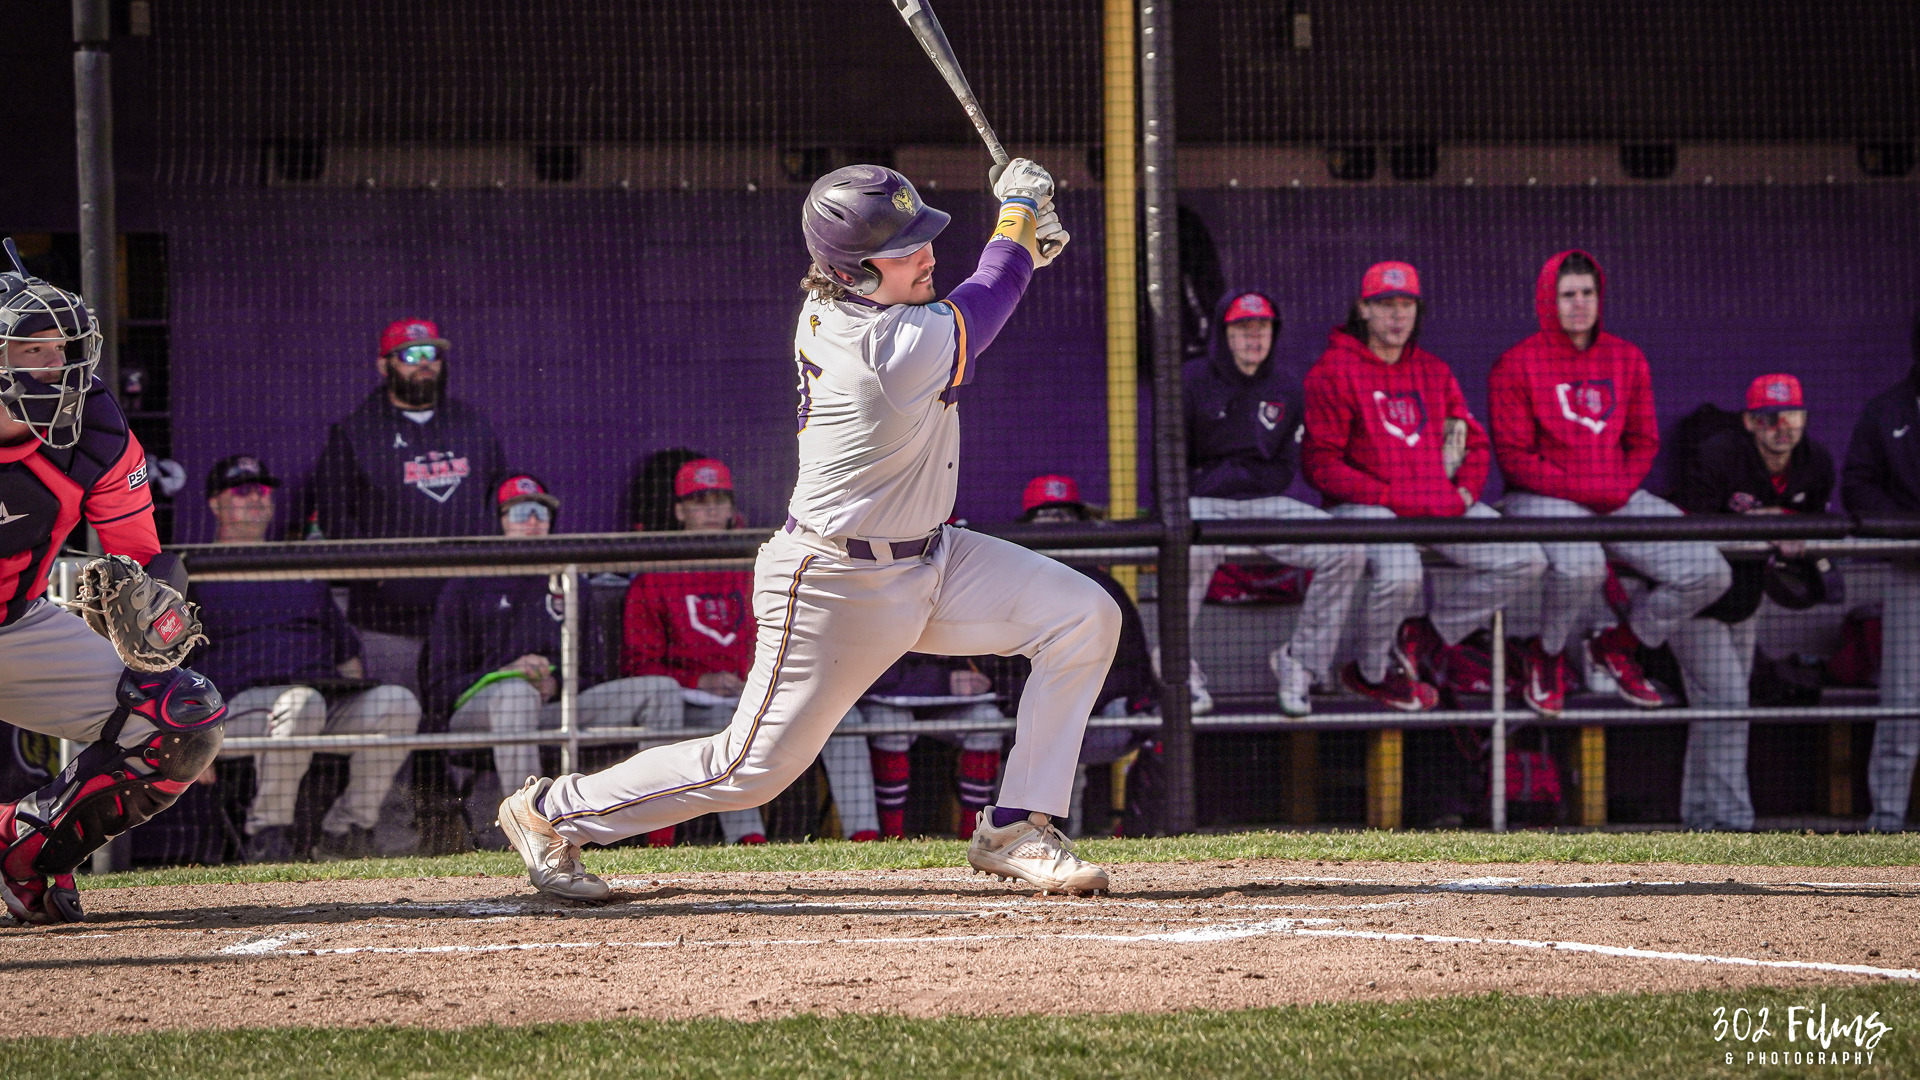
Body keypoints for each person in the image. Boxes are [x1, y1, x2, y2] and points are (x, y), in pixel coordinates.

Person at [498, 160, 1119, 900]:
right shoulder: (886, 350)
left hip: (933, 556)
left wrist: (1022, 246)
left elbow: (985, 292)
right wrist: (1017, 218)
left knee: (1083, 615)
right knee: (749, 768)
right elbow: (987, 298)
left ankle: (1018, 825)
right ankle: (551, 812)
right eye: (903, 247)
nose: (925, 255)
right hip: (834, 584)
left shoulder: (840, 306)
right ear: (853, 270)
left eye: (922, 238)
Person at [0, 256, 226, 924]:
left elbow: (144, 557)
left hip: (13, 624)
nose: (55, 368)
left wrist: (157, 609)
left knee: (181, 716)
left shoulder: (94, 429)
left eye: (62, 350)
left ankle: (29, 851)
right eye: (31, 350)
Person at [1491, 250, 1733, 717]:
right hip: (1541, 497)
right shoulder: (1516, 363)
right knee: (1581, 565)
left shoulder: (1627, 357)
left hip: (1614, 493)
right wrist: (1589, 490)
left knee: (1710, 570)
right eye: (1567, 295)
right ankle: (1548, 655)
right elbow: (1515, 459)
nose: (1579, 304)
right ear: (1547, 300)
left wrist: (1617, 487)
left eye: (1587, 293)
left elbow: (1644, 440)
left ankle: (1618, 645)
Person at [1301, 261, 1547, 711]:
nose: (1396, 315)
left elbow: (1473, 442)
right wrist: (1390, 496)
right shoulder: (1332, 370)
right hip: (1366, 506)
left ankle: (1429, 634)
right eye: (1385, 305)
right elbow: (1321, 465)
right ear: (1363, 309)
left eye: (1406, 305)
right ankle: (1370, 671)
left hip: (1436, 502)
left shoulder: (1433, 371)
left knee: (1526, 557)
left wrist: (1465, 495)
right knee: (1402, 575)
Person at [620, 458, 879, 844]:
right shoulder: (655, 576)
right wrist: (698, 680)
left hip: (758, 692)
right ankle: (738, 839)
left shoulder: (758, 566)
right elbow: (639, 667)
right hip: (689, 706)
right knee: (718, 720)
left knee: (846, 714)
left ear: (732, 508)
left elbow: (798, 633)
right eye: (699, 500)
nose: (711, 509)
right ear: (679, 510)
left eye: (720, 499)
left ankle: (865, 835)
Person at [425, 476, 689, 846]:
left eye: (541, 512)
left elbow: (593, 673)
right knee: (516, 694)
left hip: (553, 708)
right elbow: (440, 689)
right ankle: (538, 837)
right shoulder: (467, 581)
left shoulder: (569, 580)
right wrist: (503, 676)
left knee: (660, 690)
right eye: (520, 512)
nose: (532, 520)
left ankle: (656, 836)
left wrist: (558, 683)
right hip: (479, 717)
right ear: (497, 521)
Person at [193, 455, 419, 860]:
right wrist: (192, 734)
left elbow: (347, 654)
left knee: (398, 703)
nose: (257, 499)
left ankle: (347, 828)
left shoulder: (296, 565)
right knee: (302, 703)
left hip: (318, 702)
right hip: (235, 712)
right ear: (214, 504)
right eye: (243, 490)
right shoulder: (194, 571)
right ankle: (268, 833)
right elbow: (168, 662)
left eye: (263, 491)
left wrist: (353, 688)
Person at [1181, 291, 1365, 716]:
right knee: (1191, 548)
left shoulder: (1286, 386)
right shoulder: (1191, 380)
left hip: (1263, 502)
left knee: (1347, 549)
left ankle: (1300, 663)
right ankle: (1176, 665)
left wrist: (1240, 478)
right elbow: (1168, 462)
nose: (1253, 337)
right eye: (1243, 328)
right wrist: (1212, 485)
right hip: (1203, 503)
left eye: (1261, 327)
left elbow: (1285, 467)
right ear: (1224, 334)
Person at [1669, 374, 1835, 831]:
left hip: (1745, 600)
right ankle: (1732, 823)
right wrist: (1762, 522)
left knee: (1717, 710)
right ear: (1750, 421)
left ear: (1804, 418)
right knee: (1730, 703)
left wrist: (1795, 531)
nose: (1782, 426)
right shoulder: (1718, 455)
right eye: (1768, 418)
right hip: (1695, 601)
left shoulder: (1815, 462)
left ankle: (1699, 819)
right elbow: (1690, 529)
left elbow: (1817, 522)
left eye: (1792, 415)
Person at [308, 318, 507, 691]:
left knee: (466, 726)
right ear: (385, 365)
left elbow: (499, 498)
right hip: (389, 620)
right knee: (397, 721)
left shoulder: (473, 424)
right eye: (410, 355)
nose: (424, 363)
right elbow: (335, 515)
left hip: (468, 618)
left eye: (431, 353)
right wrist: (378, 575)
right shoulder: (354, 431)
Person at [1018, 475, 1158, 835]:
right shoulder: (1012, 589)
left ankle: (1142, 830)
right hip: (1026, 722)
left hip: (1096, 720)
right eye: (1044, 520)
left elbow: (1133, 671)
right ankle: (1021, 838)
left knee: (1162, 722)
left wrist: (1080, 707)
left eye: (1063, 519)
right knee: (1019, 741)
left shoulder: (1104, 588)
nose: (1055, 530)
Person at [1842, 315, 1920, 833]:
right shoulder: (1888, 409)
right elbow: (1859, 485)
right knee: (1902, 703)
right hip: (1911, 570)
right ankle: (1887, 821)